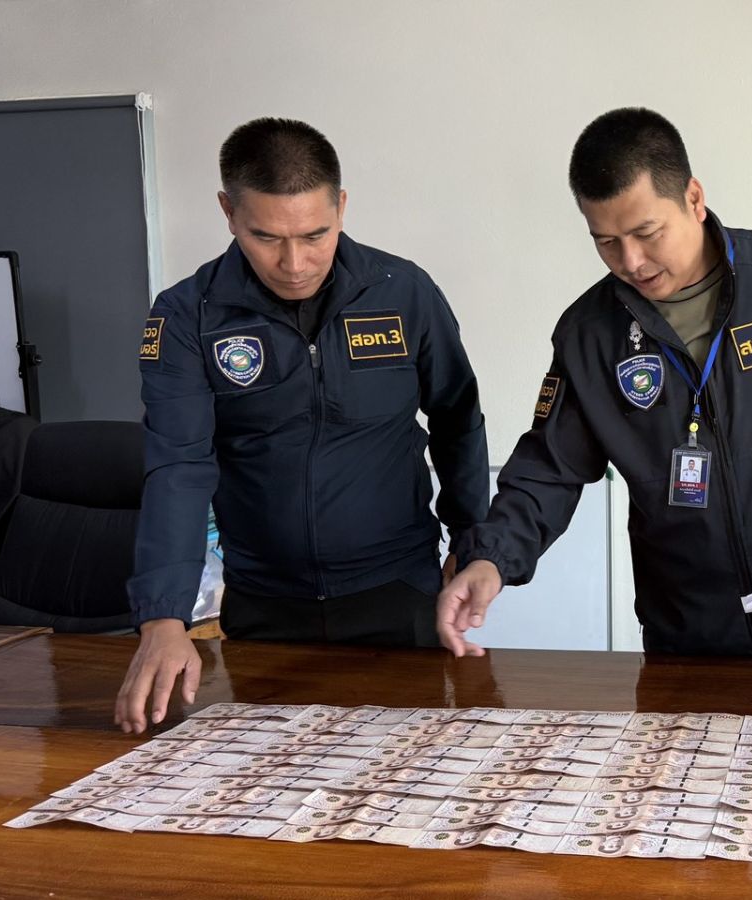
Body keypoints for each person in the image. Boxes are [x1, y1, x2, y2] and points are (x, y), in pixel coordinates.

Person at [441, 108, 752, 659]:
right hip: (687, 645)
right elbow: (549, 469)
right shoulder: (590, 334)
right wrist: (491, 557)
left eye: (646, 233)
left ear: (693, 198)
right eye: (605, 241)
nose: (631, 261)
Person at [117, 117, 488, 732]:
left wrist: (473, 542)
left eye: (315, 234)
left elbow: (457, 417)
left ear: (341, 206)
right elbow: (179, 464)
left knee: (404, 768)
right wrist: (163, 616)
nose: (294, 263)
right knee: (267, 774)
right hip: (266, 600)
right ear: (228, 213)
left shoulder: (403, 292)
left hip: (397, 590)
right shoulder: (187, 317)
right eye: (266, 237)